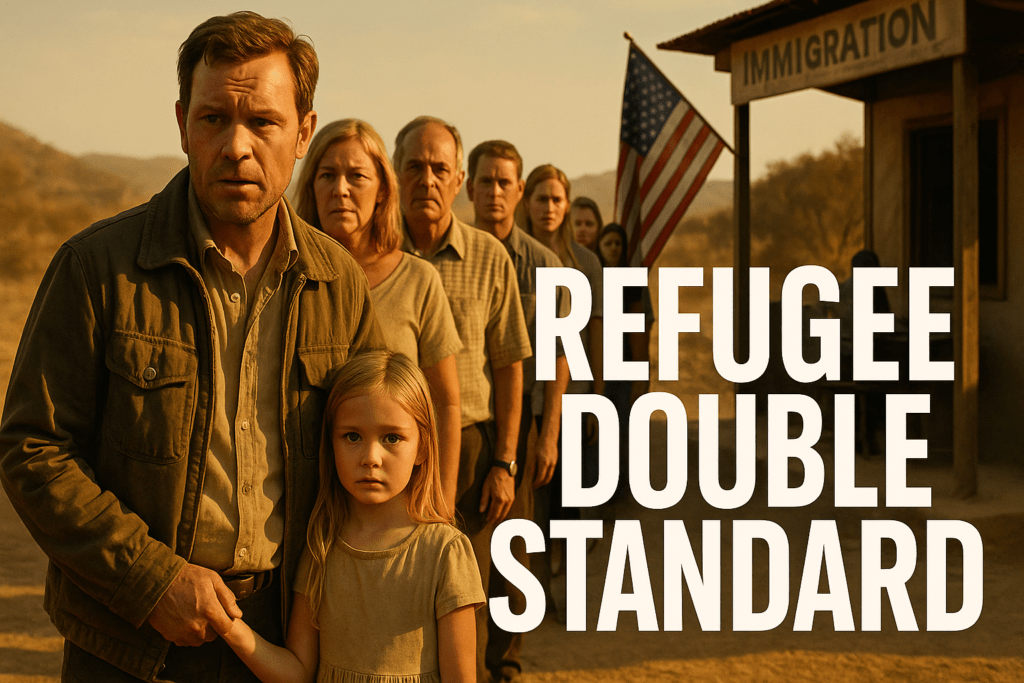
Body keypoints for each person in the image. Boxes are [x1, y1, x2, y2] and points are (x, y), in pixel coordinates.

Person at [0, 12, 384, 682]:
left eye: (262, 122)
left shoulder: (337, 282)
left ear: (303, 133)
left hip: (284, 641)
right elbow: (33, 447)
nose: (237, 146)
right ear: (182, 124)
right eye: (213, 120)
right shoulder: (97, 267)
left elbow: (374, 444)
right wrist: (151, 579)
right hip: (125, 644)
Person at [216, 350, 485, 683]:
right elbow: (298, 672)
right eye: (353, 436)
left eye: (392, 438)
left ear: (424, 448)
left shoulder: (446, 552)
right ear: (331, 443)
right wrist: (228, 624)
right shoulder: (321, 545)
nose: (371, 457)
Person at [394, 116, 532, 683]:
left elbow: (509, 364)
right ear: (394, 175)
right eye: (414, 167)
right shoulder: (369, 254)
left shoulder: (488, 256)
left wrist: (504, 460)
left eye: (439, 169)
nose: (427, 179)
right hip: (386, 452)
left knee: (466, 598)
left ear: (458, 182)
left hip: (472, 453)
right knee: (396, 600)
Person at [293, 118, 462, 515]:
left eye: (357, 176)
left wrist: (441, 505)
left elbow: (445, 404)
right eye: (327, 175)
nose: (341, 189)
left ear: (384, 190)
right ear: (311, 186)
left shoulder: (418, 280)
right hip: (305, 507)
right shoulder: (287, 280)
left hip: (399, 508)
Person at [465, 140, 570, 683]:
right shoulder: (446, 254)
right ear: (470, 187)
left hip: (520, 424)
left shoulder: (545, 265)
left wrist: (548, 435)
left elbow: (556, 360)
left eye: (506, 183)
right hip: (461, 420)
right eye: (486, 182)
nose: (495, 192)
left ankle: (504, 665)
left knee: (512, 551)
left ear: (521, 192)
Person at [517, 164, 604, 617]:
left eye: (556, 199)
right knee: (533, 502)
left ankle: (565, 588)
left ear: (566, 204)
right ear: (525, 201)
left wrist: (596, 401)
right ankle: (535, 588)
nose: (548, 207)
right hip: (523, 395)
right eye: (540, 198)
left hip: (574, 398)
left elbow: (594, 336)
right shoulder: (511, 255)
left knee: (570, 501)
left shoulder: (584, 263)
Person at [596, 224, 653, 493]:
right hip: (596, 362)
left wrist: (641, 373)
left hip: (622, 363)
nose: (614, 248)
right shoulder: (591, 276)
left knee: (620, 425)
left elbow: (638, 326)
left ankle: (620, 484)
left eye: (618, 243)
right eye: (608, 243)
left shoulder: (631, 280)